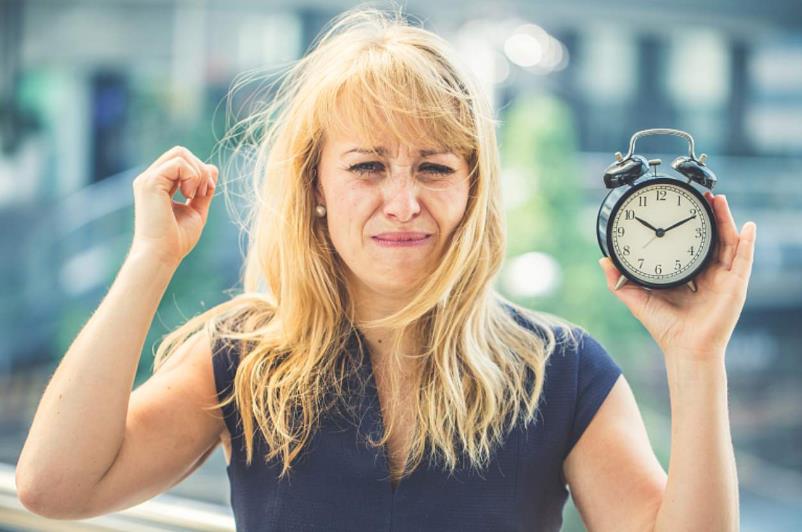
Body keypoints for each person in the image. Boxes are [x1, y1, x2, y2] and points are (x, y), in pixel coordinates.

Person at [16, 5, 755, 531]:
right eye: (367, 166)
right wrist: (152, 259)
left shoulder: (560, 371)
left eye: (434, 167)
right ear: (315, 189)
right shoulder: (246, 359)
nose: (403, 202)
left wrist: (697, 359)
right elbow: (54, 487)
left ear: (472, 190)